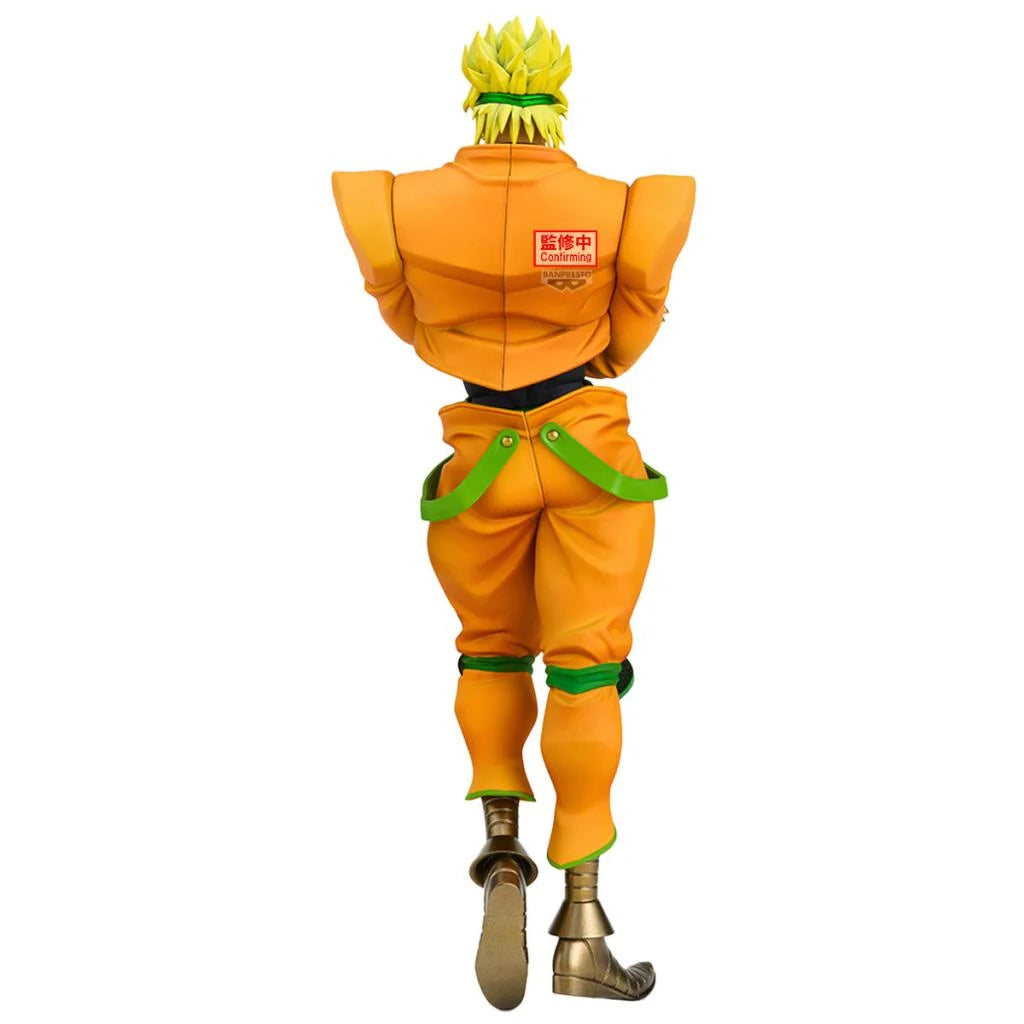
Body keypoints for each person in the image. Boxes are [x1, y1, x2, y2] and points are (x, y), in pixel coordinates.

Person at [331, 16, 695, 1009]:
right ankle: (583, 926)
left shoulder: (389, 205)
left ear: (475, 98)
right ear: (557, 99)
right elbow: (625, 342)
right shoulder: (631, 207)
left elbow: (410, 324)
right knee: (585, 669)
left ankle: (500, 850)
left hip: (477, 463)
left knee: (489, 650)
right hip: (590, 459)